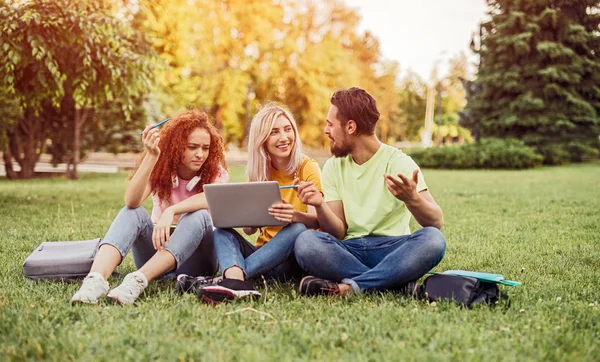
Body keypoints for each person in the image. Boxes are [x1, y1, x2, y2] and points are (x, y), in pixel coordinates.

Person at [293, 87, 446, 296]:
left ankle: (352, 288)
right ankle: (394, 284)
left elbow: (436, 222)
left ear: (350, 127)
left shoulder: (398, 162)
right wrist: (319, 205)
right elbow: (338, 231)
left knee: (433, 240)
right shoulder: (333, 166)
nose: (325, 131)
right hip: (350, 251)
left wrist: (413, 199)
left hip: (392, 250)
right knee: (306, 242)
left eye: (330, 124)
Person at [71, 109, 228, 305]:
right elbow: (131, 200)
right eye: (192, 147)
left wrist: (171, 210)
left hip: (196, 263)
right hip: (158, 254)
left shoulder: (216, 171)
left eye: (205, 148)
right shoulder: (161, 168)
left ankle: (138, 280)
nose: (200, 154)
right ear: (178, 146)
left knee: (199, 216)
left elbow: (210, 198)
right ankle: (95, 281)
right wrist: (152, 157)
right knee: (132, 212)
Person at [199, 103, 321, 304]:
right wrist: (246, 216)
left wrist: (293, 216)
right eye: (274, 132)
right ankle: (237, 284)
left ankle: (226, 279)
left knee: (297, 228)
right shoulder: (260, 172)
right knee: (221, 231)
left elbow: (316, 222)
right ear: (262, 139)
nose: (283, 137)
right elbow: (249, 230)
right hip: (262, 254)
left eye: (287, 129)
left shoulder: (308, 167)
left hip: (288, 260)